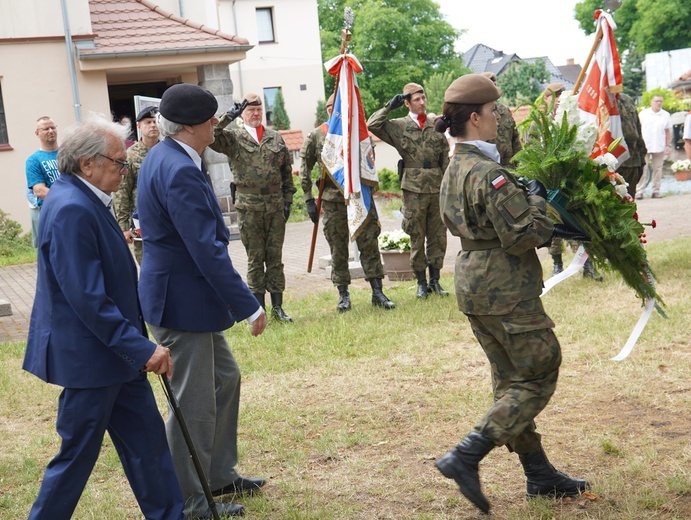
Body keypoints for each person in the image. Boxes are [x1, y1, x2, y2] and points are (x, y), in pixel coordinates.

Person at [433, 74, 589, 514]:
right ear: (476, 117)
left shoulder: (455, 167)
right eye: (495, 111)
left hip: (474, 284)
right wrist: (539, 202)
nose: (500, 118)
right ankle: (467, 455)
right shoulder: (489, 173)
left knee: (510, 381)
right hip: (504, 287)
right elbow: (524, 234)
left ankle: (538, 473)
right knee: (539, 370)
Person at [22, 116, 184, 520]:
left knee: (147, 446)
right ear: (87, 164)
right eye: (118, 161)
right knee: (76, 456)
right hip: (92, 359)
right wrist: (142, 348)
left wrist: (134, 348)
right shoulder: (72, 207)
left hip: (117, 355)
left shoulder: (84, 197)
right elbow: (87, 298)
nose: (123, 170)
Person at [137, 83, 268, 519]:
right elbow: (205, 250)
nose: (216, 123)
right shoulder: (176, 169)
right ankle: (189, 500)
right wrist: (248, 303)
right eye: (210, 118)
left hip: (187, 297)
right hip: (181, 302)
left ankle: (216, 474)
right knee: (191, 403)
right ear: (190, 126)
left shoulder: (169, 156)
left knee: (224, 378)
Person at [300, 94, 395, 311]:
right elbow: (304, 167)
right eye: (335, 108)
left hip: (359, 197)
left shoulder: (357, 134)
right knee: (338, 247)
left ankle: (377, 291)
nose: (339, 112)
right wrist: (307, 199)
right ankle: (343, 294)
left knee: (369, 243)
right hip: (333, 201)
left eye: (343, 107)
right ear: (328, 110)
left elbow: (368, 161)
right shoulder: (317, 135)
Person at [210, 93, 297, 322]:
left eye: (258, 109)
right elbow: (212, 135)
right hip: (249, 206)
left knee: (275, 258)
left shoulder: (276, 138)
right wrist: (230, 115)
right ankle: (259, 310)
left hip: (275, 206)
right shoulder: (234, 138)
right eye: (250, 110)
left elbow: (286, 174)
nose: (256, 113)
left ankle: (278, 307)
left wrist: (288, 201)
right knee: (255, 258)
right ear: (244, 114)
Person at [367, 83, 450, 299]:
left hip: (436, 186)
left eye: (423, 98)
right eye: (416, 99)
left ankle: (435, 281)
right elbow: (373, 124)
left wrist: (447, 186)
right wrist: (388, 106)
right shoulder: (399, 126)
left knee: (437, 236)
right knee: (416, 236)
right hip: (413, 189)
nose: (422, 102)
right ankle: (421, 283)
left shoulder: (436, 124)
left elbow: (444, 157)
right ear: (406, 103)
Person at [542, 83, 601, 280]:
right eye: (554, 95)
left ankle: (587, 265)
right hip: (548, 179)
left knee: (577, 221)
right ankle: (557, 264)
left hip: (571, 180)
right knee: (552, 225)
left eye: (561, 94)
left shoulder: (575, 120)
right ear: (546, 99)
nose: (558, 98)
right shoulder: (540, 122)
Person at [113, 106, 159, 265]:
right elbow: (122, 192)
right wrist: (124, 226)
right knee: (148, 264)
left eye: (155, 121)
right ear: (139, 126)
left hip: (167, 218)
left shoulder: (167, 150)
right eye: (148, 122)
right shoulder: (130, 155)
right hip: (142, 221)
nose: (153, 125)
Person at [482, 72, 522, 166]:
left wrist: (520, 164)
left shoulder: (505, 111)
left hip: (510, 167)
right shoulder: (479, 113)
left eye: (494, 84)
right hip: (489, 167)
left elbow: (515, 139)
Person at [635, 95, 671, 199]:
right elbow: (638, 128)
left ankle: (656, 191)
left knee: (658, 169)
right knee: (643, 168)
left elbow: (668, 131)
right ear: (651, 102)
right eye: (656, 101)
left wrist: (668, 145)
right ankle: (639, 191)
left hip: (659, 145)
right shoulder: (643, 114)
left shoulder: (666, 115)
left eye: (660, 101)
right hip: (645, 145)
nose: (658, 103)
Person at [26, 116, 60, 222]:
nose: (51, 131)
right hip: (51, 214)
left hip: (76, 209)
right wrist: (67, 199)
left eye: (53, 127)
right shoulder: (33, 160)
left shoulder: (68, 153)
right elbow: (40, 191)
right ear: (37, 133)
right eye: (46, 129)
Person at [617, 92, 647, 198]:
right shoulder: (595, 99)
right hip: (611, 165)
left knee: (629, 206)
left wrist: (642, 157)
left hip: (632, 160)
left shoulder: (627, 99)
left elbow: (637, 129)